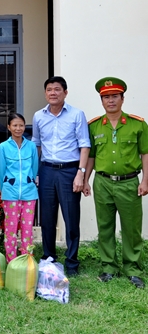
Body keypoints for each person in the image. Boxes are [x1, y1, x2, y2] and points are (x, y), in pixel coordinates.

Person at [84, 77, 148, 289]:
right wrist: (85, 180)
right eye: (106, 97)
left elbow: (145, 153)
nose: (110, 101)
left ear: (122, 99)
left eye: (114, 96)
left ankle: (133, 269)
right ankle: (108, 267)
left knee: (131, 229)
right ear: (101, 101)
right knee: (105, 227)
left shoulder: (137, 124)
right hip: (102, 182)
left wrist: (145, 180)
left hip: (129, 183)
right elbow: (91, 156)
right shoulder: (93, 126)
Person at [32, 76, 90, 276]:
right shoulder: (39, 116)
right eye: (49, 89)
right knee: (47, 218)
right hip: (46, 171)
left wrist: (80, 174)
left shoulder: (76, 115)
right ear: (45, 93)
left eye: (57, 89)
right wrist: (36, 173)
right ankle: (49, 258)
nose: (53, 93)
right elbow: (36, 145)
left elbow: (85, 145)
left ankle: (72, 262)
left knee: (71, 218)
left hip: (69, 171)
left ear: (65, 92)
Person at [0, 112, 39, 262]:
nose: (18, 128)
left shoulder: (31, 146)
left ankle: (27, 260)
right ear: (9, 127)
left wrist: (29, 182)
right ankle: (12, 262)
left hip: (29, 193)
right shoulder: (3, 147)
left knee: (27, 231)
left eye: (21, 125)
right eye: (15, 125)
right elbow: (1, 171)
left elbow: (34, 168)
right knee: (11, 231)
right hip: (10, 194)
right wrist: (7, 186)